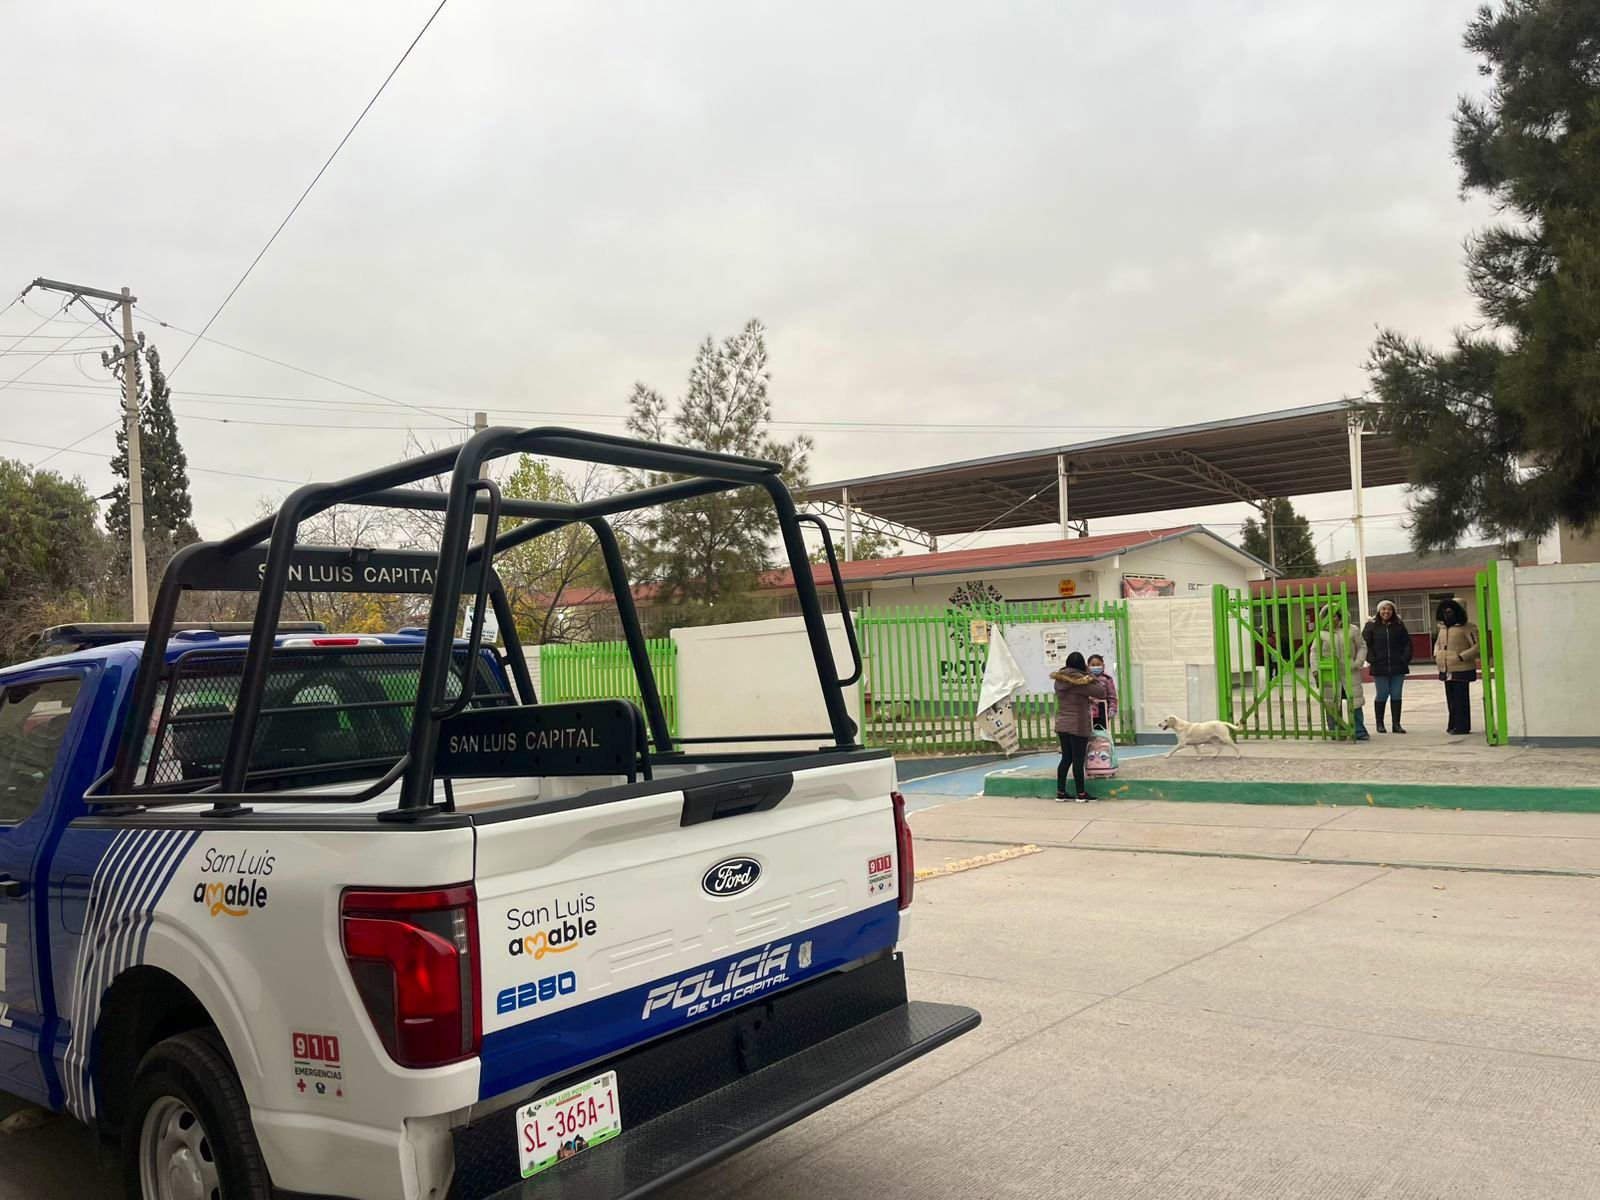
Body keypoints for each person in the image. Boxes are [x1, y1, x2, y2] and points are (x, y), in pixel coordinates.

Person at [1052, 651, 1106, 802]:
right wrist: (1089, 674)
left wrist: (1085, 700)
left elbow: (1071, 698)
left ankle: (1060, 792)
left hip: (1062, 724)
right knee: (1078, 759)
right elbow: (1101, 691)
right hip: (1078, 725)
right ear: (1082, 665)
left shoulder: (1059, 681)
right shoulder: (1081, 682)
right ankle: (1081, 794)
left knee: (1066, 758)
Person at [1315, 606, 1369, 741]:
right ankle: (1336, 730)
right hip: (1330, 672)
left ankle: (1359, 730)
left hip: (1349, 672)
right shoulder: (1321, 632)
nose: (1331, 618)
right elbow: (1314, 653)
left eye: (1334, 615)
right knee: (1332, 702)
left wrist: (1358, 662)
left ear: (1339, 616)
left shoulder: (1352, 630)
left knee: (1355, 702)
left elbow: (1362, 646)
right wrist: (1316, 670)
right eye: (1328, 616)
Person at [1361, 599, 1413, 734]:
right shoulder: (1371, 626)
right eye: (1383, 609)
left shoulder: (1399, 625)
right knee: (1382, 694)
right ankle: (1380, 723)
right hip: (1379, 666)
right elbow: (1365, 644)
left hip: (1398, 666)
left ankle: (1396, 724)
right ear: (1379, 611)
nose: (1386, 612)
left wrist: (1405, 658)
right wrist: (1372, 659)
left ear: (1393, 611)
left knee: (1396, 695)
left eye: (1389, 609)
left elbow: (1407, 643)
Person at [1434, 598, 1480, 735]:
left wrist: (1462, 656)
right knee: (1451, 699)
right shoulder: (1443, 628)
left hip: (1462, 668)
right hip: (1446, 667)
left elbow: (1477, 646)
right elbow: (1438, 643)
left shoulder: (1468, 627)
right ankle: (1452, 724)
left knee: (1461, 699)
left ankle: (1462, 726)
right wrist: (1437, 654)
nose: (1448, 612)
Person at [1084, 653, 1119, 780]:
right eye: (1093, 665)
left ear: (1103, 665)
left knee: (1102, 739)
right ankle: (1091, 763)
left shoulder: (1107, 679)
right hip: (1087, 714)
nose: (1095, 667)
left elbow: (1112, 696)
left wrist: (1112, 709)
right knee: (1089, 739)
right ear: (1088, 666)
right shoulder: (1084, 679)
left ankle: (1105, 762)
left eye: (1098, 664)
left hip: (1102, 712)